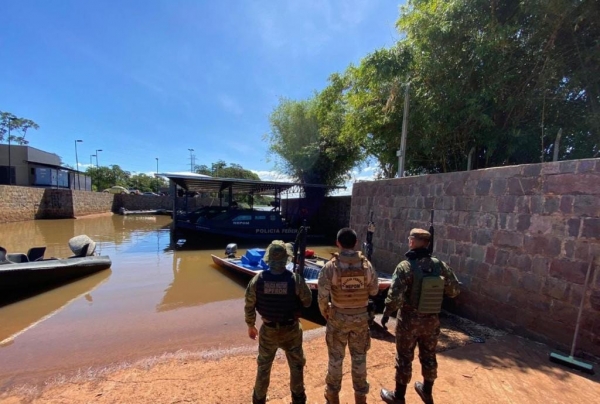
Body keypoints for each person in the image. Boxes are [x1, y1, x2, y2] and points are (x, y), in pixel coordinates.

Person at [380, 228, 460, 404]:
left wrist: (386, 313)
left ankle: (398, 396)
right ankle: (427, 391)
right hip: (431, 320)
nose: (409, 241)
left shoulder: (405, 266)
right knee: (429, 355)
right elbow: (454, 290)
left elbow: (394, 298)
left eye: (411, 239)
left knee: (404, 357)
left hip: (408, 321)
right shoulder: (439, 266)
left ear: (413, 242)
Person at [244, 240, 313, 404]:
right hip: (291, 330)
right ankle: (298, 399)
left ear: (269, 258)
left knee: (264, 366)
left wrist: (251, 325)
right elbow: (308, 302)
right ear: (285, 258)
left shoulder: (258, 280)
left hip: (268, 330)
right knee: (296, 365)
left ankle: (258, 399)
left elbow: (249, 304)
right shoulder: (295, 279)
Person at [318, 228, 379, 404]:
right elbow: (374, 290)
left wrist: (326, 313)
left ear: (338, 243)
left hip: (338, 319)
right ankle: (360, 397)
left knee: (336, 359)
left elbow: (322, 297)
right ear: (356, 243)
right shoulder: (367, 266)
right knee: (359, 358)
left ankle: (332, 396)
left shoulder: (330, 267)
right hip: (361, 320)